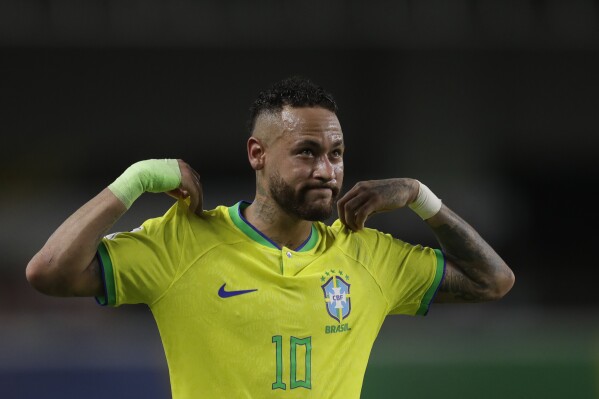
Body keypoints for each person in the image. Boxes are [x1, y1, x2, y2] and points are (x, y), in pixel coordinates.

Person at [26, 76, 514, 398]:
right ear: (257, 154)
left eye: (336, 153)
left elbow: (492, 281)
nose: (327, 170)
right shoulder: (184, 242)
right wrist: (135, 180)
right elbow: (49, 272)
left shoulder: (368, 253)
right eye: (306, 152)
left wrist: (420, 197)